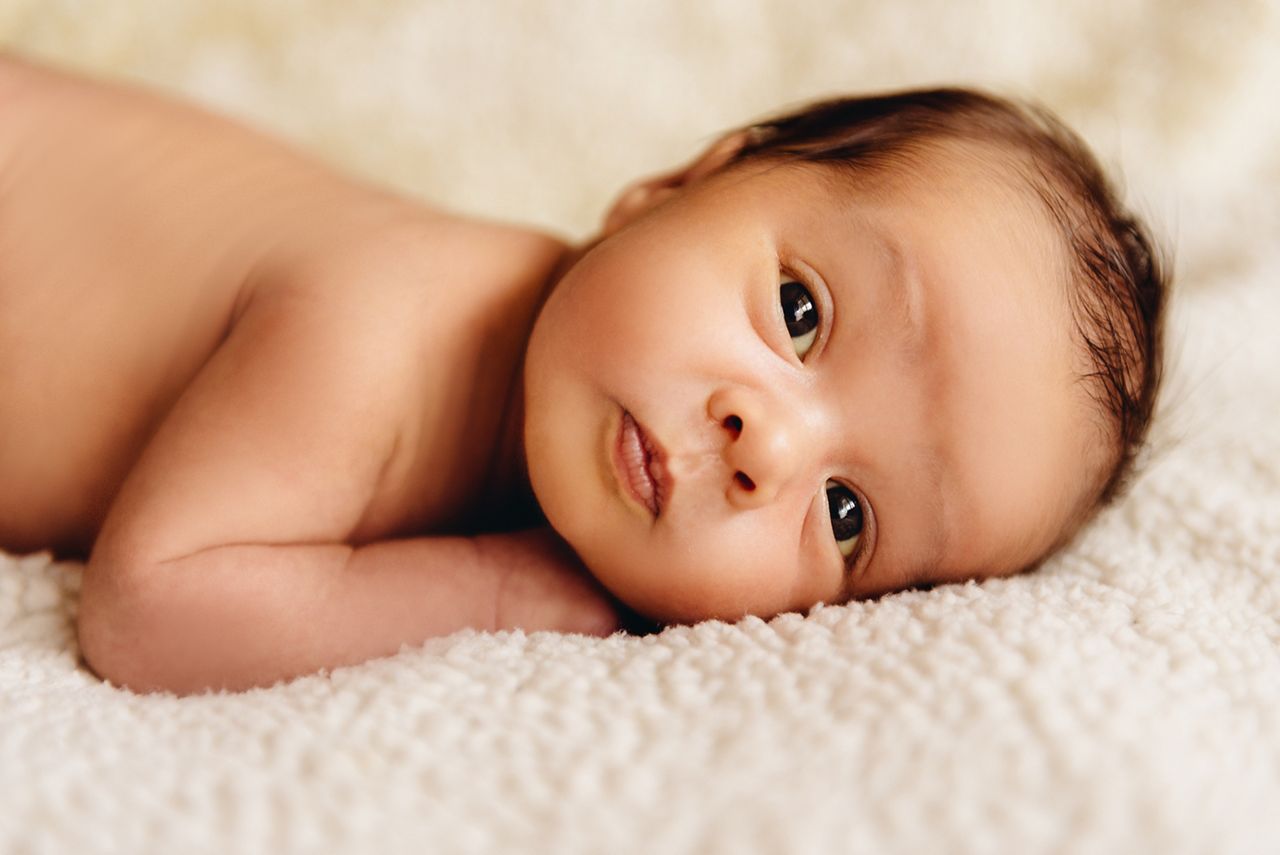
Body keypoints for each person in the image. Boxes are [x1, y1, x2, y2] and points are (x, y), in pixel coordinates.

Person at [0, 53, 1165, 694]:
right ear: (671, 187)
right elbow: (150, 608)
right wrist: (501, 599)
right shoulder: (385, 328)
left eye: (846, 515)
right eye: (798, 313)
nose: (766, 447)